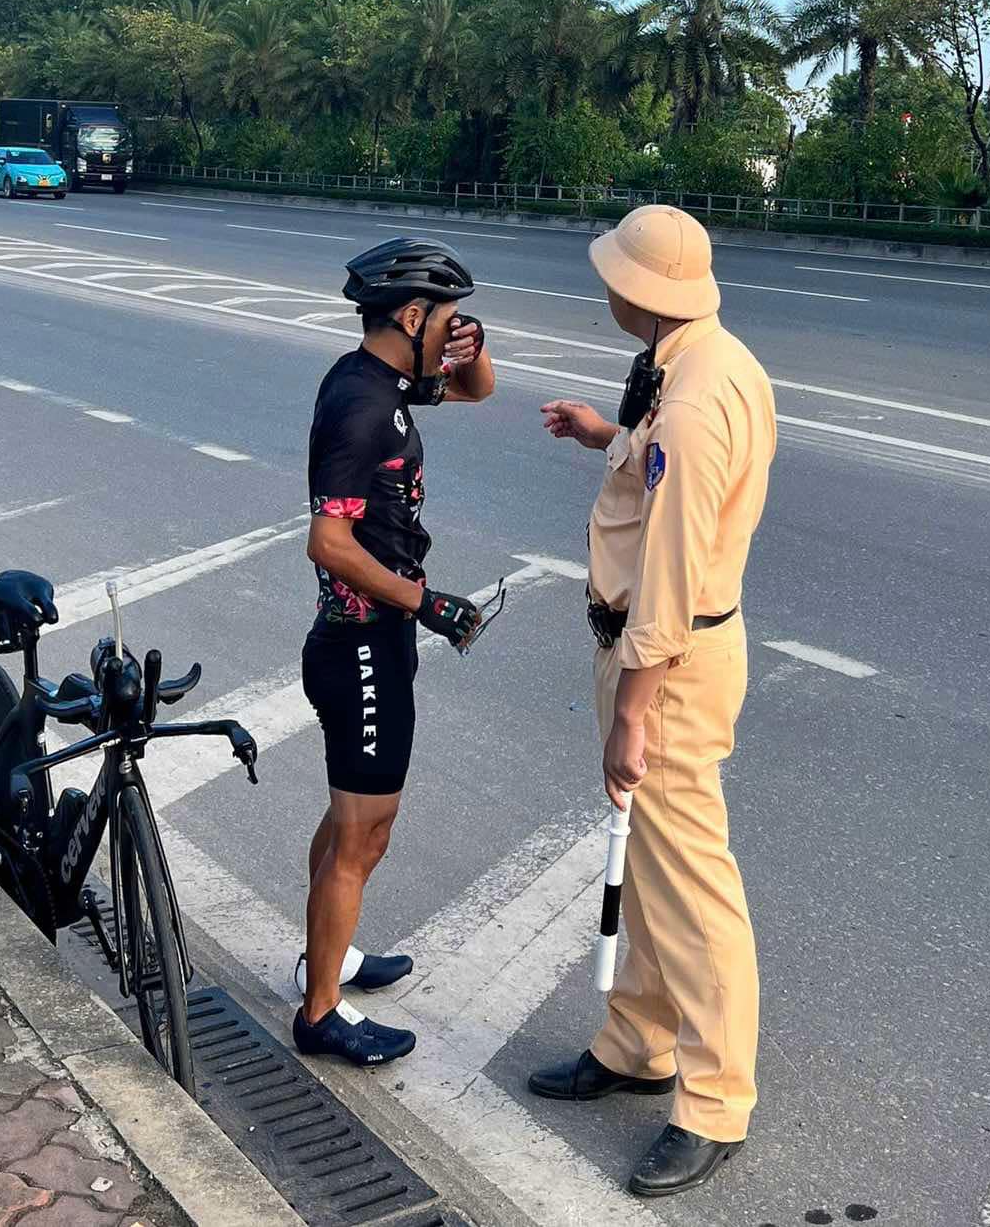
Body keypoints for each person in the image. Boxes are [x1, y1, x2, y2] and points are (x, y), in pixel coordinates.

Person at [532, 205, 776, 1197]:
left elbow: (672, 574)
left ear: (640, 291)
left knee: (690, 890)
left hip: (663, 666)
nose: (603, 286)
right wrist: (606, 437)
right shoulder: (696, 365)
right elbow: (670, 489)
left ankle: (715, 1102)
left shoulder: (690, 402)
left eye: (612, 274)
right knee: (645, 868)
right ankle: (636, 1042)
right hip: (654, 651)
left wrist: (631, 713)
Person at [294, 236, 496, 1067]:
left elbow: (476, 391)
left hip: (373, 640)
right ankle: (319, 1012)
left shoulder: (385, 378)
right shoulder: (360, 404)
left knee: (349, 822)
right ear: (410, 316)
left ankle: (328, 959)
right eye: (444, 317)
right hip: (360, 646)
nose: (451, 329)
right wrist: (431, 603)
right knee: (364, 834)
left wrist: (472, 353)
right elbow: (328, 541)